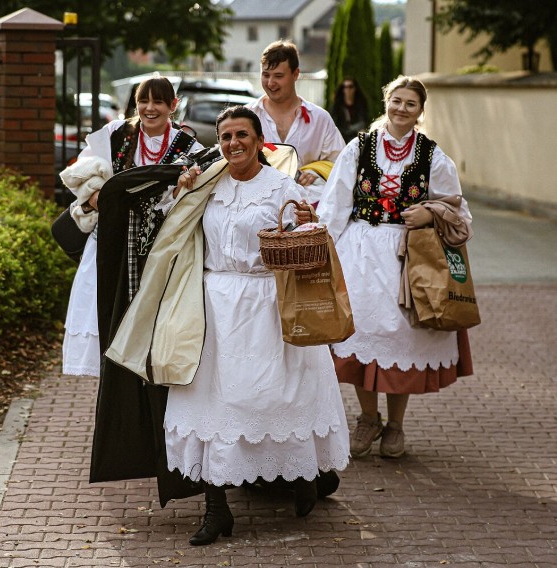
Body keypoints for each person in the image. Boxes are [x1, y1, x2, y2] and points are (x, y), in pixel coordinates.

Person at [108, 105, 350, 545]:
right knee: (213, 405)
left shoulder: (281, 186)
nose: (233, 144)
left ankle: (303, 477)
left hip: (269, 304)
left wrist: (304, 222)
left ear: (260, 141)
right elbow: (167, 230)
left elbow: (309, 240)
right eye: (225, 137)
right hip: (214, 308)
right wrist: (179, 194)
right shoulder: (207, 183)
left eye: (242, 135)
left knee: (281, 397)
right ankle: (217, 510)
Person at [312, 76, 474, 459]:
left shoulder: (433, 157)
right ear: (387, 102)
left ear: (420, 111)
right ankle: (369, 418)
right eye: (396, 101)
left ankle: (396, 424)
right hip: (361, 252)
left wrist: (430, 213)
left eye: (411, 104)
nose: (402, 109)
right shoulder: (359, 148)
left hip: (409, 258)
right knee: (359, 334)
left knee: (403, 337)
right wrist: (323, 252)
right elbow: (334, 204)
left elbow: (460, 214)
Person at [60, 76, 203, 377]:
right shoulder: (116, 133)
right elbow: (83, 171)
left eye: (158, 102)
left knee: (149, 334)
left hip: (158, 252)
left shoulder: (189, 145)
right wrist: (96, 195)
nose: (150, 108)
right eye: (143, 101)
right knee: (106, 319)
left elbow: (196, 195)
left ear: (172, 106)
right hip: (110, 245)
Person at [246, 40, 345, 204]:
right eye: (265, 75)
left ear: (296, 74)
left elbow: (341, 162)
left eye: (278, 76)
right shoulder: (247, 115)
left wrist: (317, 172)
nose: (270, 83)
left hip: (306, 210)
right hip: (256, 204)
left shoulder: (319, 118)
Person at [330, 77, 369, 142]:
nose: (348, 89)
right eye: (345, 87)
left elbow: (363, 121)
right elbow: (334, 124)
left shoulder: (361, 104)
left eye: (350, 87)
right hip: (341, 138)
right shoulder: (337, 106)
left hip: (356, 138)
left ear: (355, 88)